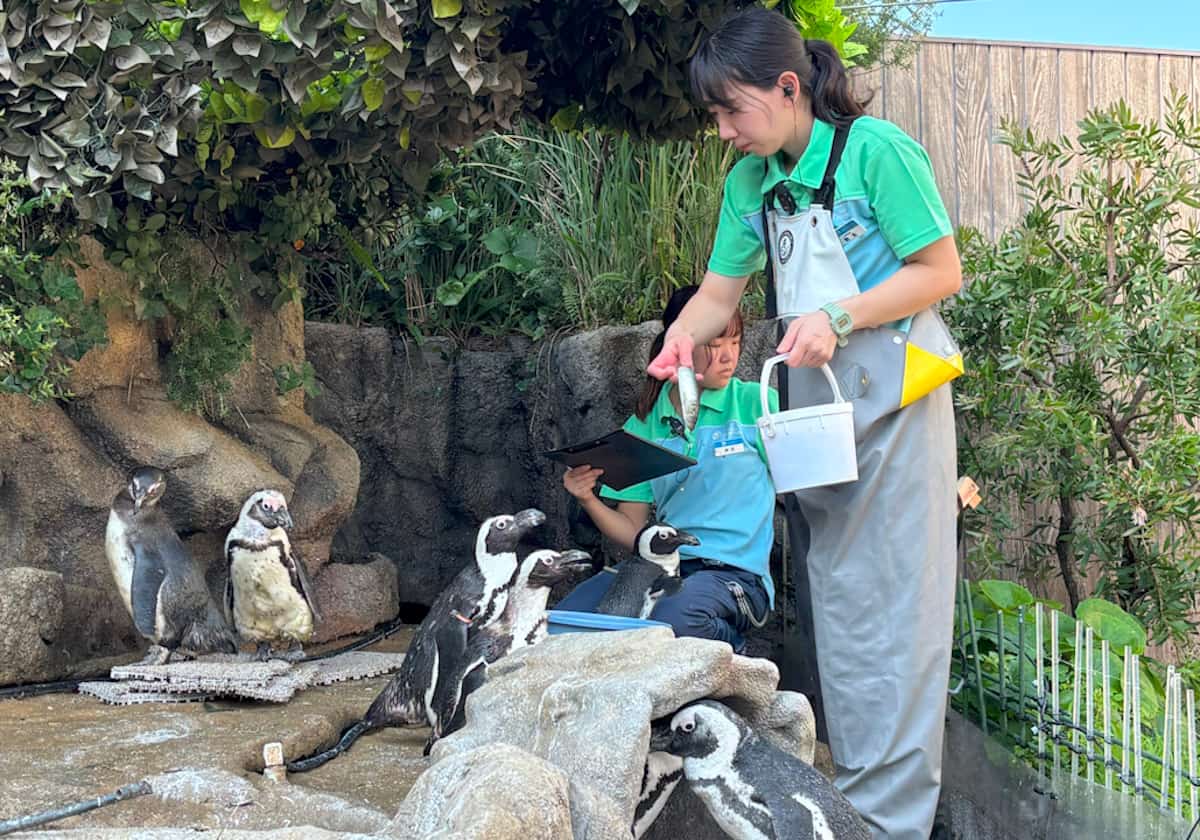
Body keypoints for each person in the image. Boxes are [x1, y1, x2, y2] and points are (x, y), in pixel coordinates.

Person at [645, 7, 963, 840]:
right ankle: (857, 814)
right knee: (844, 619)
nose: (722, 132)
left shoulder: (875, 152)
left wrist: (839, 315)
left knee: (898, 619)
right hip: (820, 422)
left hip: (896, 409)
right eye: (712, 116)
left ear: (789, 90)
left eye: (729, 111)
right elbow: (720, 295)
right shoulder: (752, 182)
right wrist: (681, 341)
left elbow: (940, 269)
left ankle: (893, 827)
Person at [556, 284, 776, 655]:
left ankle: (735, 660)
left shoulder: (759, 403)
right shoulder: (643, 426)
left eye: (735, 343)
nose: (728, 357)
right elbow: (633, 531)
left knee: (673, 620)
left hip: (735, 576)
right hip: (659, 569)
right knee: (565, 621)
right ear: (680, 344)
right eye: (714, 344)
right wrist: (587, 499)